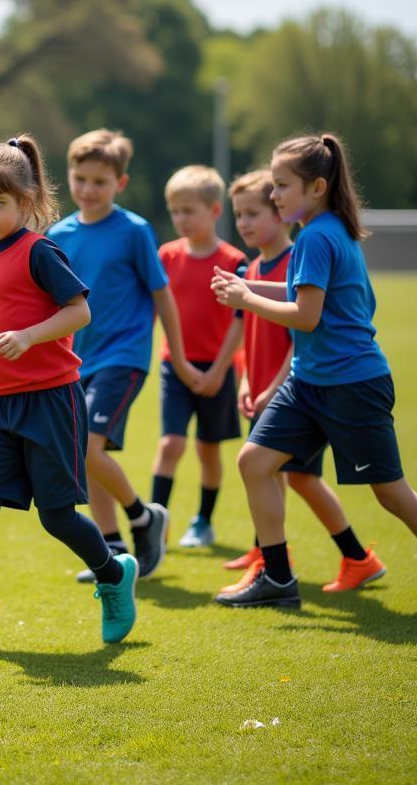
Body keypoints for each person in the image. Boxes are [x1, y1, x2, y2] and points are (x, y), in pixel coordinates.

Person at [211, 134, 417, 611]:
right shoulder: (319, 230)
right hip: (309, 383)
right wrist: (252, 282)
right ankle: (278, 578)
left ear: (317, 186)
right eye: (273, 186)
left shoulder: (319, 235)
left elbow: (307, 314)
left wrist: (246, 299)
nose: (274, 195)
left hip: (351, 386)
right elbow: (302, 288)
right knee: (254, 463)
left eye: (282, 186)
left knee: (392, 495)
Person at [0, 135, 139, 650]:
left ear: (27, 200)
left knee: (57, 517)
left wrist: (28, 336)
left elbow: (78, 312)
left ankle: (112, 574)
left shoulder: (40, 251)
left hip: (49, 401)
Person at [218, 169, 385, 596]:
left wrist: (277, 385)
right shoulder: (254, 265)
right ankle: (276, 562)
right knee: (271, 471)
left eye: (255, 211)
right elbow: (246, 334)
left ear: (281, 213)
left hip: (302, 389)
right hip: (273, 391)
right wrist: (244, 381)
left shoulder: (303, 254)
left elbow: (304, 331)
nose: (245, 223)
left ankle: (308, 561)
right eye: (239, 215)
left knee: (291, 476)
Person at [47, 129, 198, 581]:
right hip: (76, 360)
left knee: (86, 446)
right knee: (87, 453)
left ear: (120, 183)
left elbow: (162, 295)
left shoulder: (134, 231)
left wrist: (181, 356)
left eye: (100, 181)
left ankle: (143, 517)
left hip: (124, 356)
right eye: (81, 178)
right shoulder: (58, 234)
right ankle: (111, 550)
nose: (89, 189)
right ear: (69, 177)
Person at [150, 165, 247, 547]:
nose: (180, 219)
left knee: (208, 450)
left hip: (218, 372)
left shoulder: (234, 260)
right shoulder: (166, 256)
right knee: (170, 445)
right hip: (175, 366)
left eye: (189, 211)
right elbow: (156, 309)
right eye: (175, 211)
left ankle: (203, 522)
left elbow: (240, 321)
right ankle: (154, 526)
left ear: (215, 211)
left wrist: (220, 370)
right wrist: (181, 362)